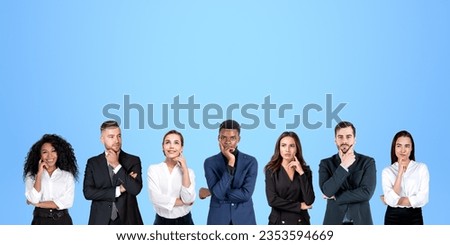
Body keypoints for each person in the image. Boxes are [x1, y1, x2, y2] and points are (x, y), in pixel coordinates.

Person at [83, 120, 144, 225]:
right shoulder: (93, 163)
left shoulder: (133, 160)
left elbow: (135, 189)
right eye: (111, 137)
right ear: (102, 139)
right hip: (100, 221)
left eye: (119, 136)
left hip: (128, 221)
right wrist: (119, 190)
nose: (117, 140)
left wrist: (116, 165)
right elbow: (88, 193)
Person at [318, 121, 376, 225]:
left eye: (348, 137)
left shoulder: (367, 162)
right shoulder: (326, 164)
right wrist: (343, 166)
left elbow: (367, 193)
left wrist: (336, 196)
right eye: (340, 137)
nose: (344, 141)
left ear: (355, 140)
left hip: (361, 223)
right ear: (335, 140)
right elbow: (327, 191)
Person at [204, 119, 258, 225]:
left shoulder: (251, 162)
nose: (228, 142)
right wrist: (231, 162)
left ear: (238, 139)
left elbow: (246, 195)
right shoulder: (210, 162)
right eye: (223, 137)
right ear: (218, 138)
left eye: (232, 138)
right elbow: (218, 194)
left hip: (244, 219)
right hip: (218, 220)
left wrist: (212, 192)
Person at [23, 134, 79, 225]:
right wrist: (39, 174)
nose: (50, 156)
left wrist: (38, 204)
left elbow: (67, 202)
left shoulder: (67, 176)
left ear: (59, 153)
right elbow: (34, 198)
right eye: (45, 152)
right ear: (39, 155)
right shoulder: (32, 175)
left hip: (63, 221)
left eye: (53, 151)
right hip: (40, 220)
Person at [264, 131, 315, 225]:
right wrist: (299, 206)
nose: (287, 149)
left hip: (301, 222)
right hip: (278, 222)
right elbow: (272, 200)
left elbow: (309, 200)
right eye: (283, 145)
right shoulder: (271, 170)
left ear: (297, 149)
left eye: (291, 146)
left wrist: (301, 173)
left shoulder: (305, 171)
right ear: (279, 148)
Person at [147, 130, 196, 225]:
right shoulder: (154, 169)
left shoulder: (189, 172)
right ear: (163, 147)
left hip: (185, 222)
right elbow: (155, 198)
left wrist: (184, 170)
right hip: (161, 222)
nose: (171, 146)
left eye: (176, 143)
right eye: (167, 142)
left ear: (181, 148)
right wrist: (183, 202)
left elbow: (189, 198)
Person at [381, 130, 429, 225]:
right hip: (392, 216)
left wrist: (394, 200)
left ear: (411, 148)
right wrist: (399, 173)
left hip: (415, 216)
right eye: (399, 146)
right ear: (394, 148)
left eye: (407, 146)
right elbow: (390, 201)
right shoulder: (387, 171)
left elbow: (423, 198)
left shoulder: (421, 168)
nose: (403, 150)